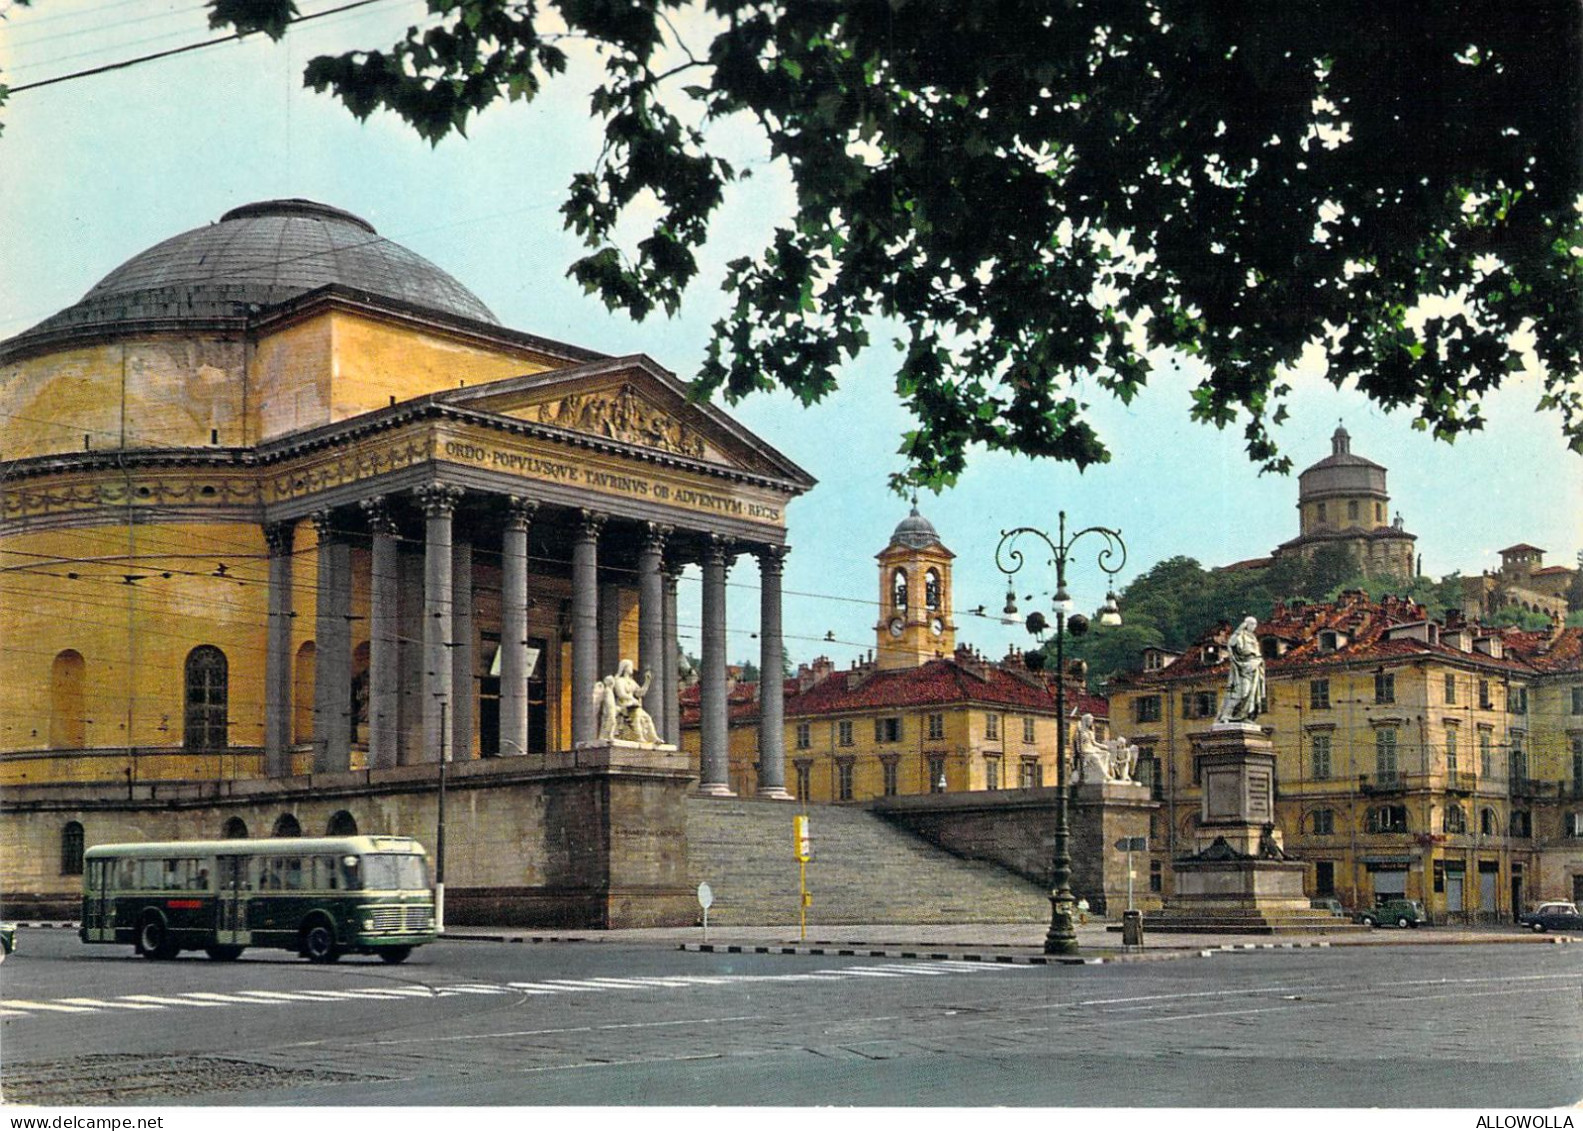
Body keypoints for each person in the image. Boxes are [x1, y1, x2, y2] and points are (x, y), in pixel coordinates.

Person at [1216, 615, 1267, 724]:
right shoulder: (1240, 635)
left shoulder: (1253, 637)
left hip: (1254, 666)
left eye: (1255, 624)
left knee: (1251, 693)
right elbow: (1231, 643)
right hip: (1243, 667)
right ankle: (1226, 714)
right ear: (1246, 624)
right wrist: (1238, 631)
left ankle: (1243, 716)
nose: (1254, 626)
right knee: (1242, 692)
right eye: (1252, 624)